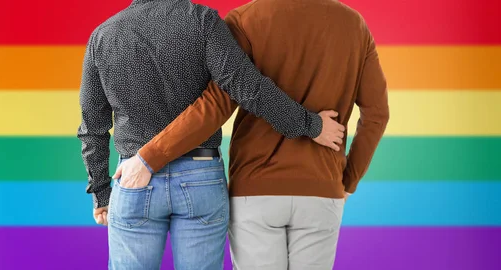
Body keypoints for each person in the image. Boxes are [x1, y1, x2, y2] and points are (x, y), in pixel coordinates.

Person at [76, 0, 345, 269]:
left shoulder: (103, 36)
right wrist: (311, 125)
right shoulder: (202, 21)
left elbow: (92, 129)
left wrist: (101, 193)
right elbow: (248, 87)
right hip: (200, 178)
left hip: (134, 179)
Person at [132, 0, 390, 269]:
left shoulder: (245, 20)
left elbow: (216, 106)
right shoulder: (354, 24)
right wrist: (349, 180)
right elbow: (377, 114)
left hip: (254, 190)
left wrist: (150, 156)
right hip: (322, 188)